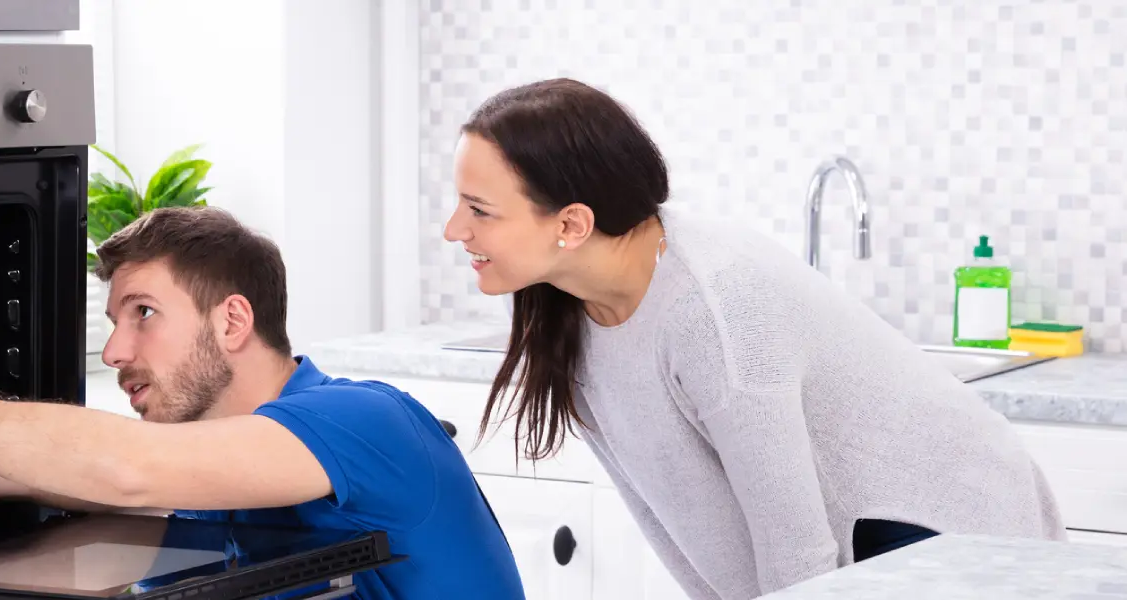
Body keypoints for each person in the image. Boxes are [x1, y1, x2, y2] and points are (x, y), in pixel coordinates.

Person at [442, 78, 1064, 599]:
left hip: (941, 528)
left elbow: (796, 551)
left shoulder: (716, 313)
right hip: (839, 551)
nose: (453, 230)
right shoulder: (561, 305)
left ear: (573, 224)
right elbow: (678, 520)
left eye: (480, 210)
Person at [0, 206, 525, 599]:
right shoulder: (211, 482)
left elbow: (122, 468)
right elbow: (10, 470)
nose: (113, 353)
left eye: (143, 314)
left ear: (233, 321)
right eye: (112, 322)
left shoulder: (364, 422)